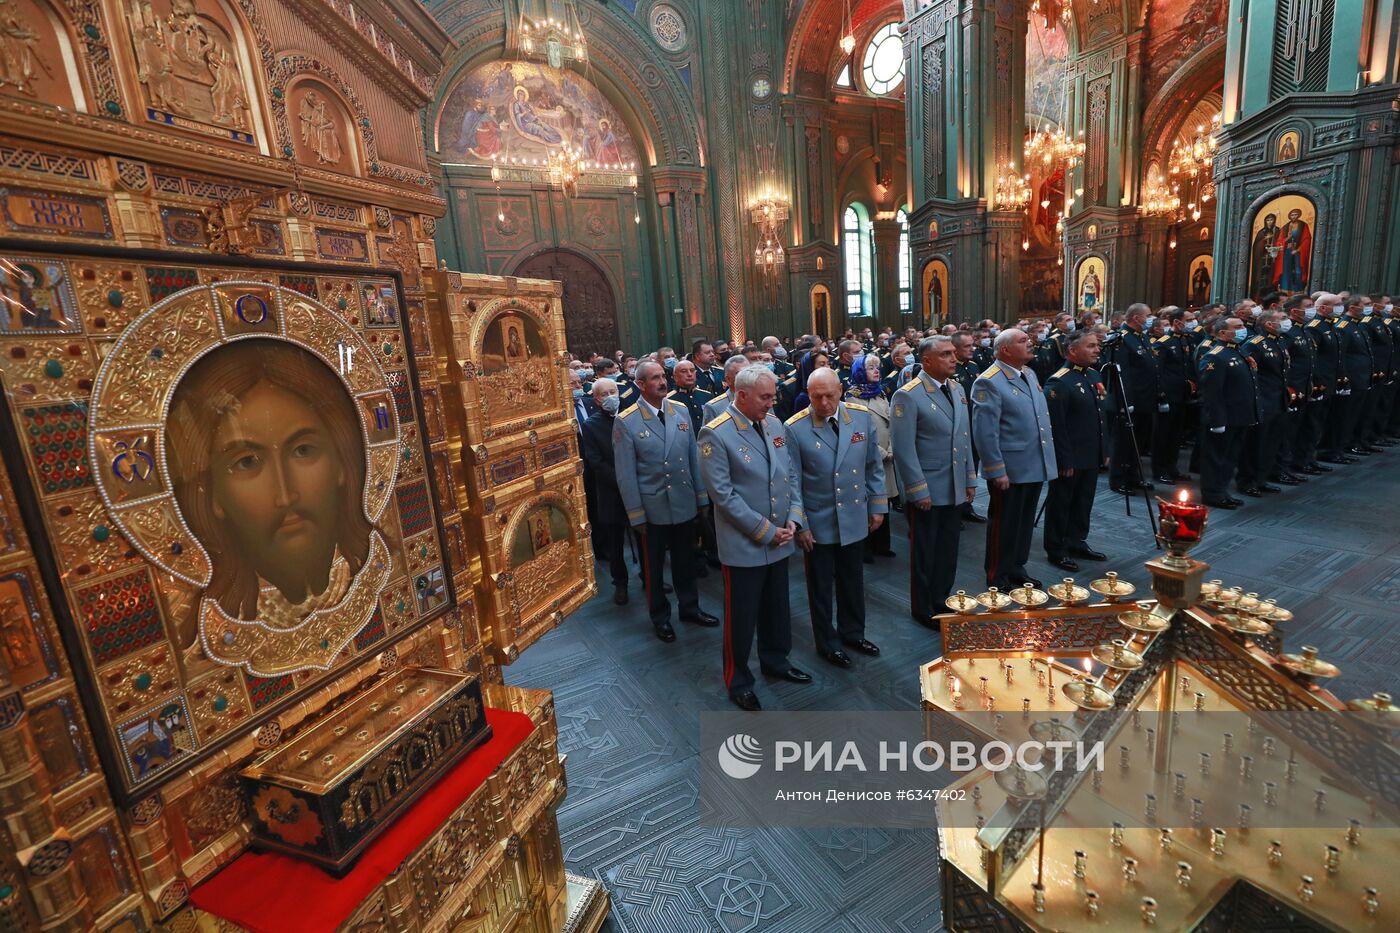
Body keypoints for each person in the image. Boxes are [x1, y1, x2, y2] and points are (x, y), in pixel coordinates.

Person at [166, 341, 375, 624]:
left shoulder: (376, 567)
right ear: (213, 495)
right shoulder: (207, 622)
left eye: (303, 450)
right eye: (247, 462)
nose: (286, 495)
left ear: (342, 463)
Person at [698, 364, 809, 711]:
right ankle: (738, 679)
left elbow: (790, 473)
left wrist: (794, 518)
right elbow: (723, 495)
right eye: (765, 396)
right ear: (741, 395)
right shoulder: (715, 433)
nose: (771, 402)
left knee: (778, 608)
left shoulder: (774, 423)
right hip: (746, 543)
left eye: (773, 395)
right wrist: (765, 531)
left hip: (781, 535)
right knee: (741, 616)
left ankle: (777, 660)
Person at [612, 361, 719, 642]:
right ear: (641, 385)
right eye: (655, 378)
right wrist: (636, 514)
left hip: (683, 501)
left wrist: (701, 498)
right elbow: (626, 475)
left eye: (663, 376)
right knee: (654, 567)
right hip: (652, 507)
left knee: (685, 560)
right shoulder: (627, 420)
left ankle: (690, 607)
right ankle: (660, 617)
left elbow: (692, 459)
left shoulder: (680, 411)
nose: (662, 382)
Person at [787, 369, 886, 668]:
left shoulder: (859, 416)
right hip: (818, 521)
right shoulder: (794, 427)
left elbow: (873, 465)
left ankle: (853, 633)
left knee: (853, 581)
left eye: (830, 395)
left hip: (854, 514)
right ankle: (827, 643)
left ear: (841, 390)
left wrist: (878, 505)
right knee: (820, 587)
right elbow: (792, 482)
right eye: (817, 396)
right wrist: (800, 523)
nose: (824, 402)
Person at [892, 336, 977, 626]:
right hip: (927, 488)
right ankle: (923, 607)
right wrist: (917, 490)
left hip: (953, 485)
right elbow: (904, 450)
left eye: (954, 353)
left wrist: (969, 479)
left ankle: (942, 598)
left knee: (948, 550)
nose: (954, 358)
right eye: (945, 354)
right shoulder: (909, 395)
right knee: (925, 553)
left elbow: (963, 439)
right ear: (927, 361)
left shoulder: (957, 388)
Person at [971, 329, 1057, 591]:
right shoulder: (989, 381)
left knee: (1023, 522)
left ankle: (1017, 566)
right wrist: (996, 470)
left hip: (1034, 461)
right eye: (1022, 341)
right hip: (1009, 468)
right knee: (1004, 524)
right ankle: (998, 574)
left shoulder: (1028, 373)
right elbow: (985, 432)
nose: (1030, 343)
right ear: (1005, 350)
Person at [1042, 330, 1108, 571]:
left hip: (1091, 452)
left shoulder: (1093, 375)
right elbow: (1055, 426)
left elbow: (1101, 417)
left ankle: (1076, 540)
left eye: (1096, 345)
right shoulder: (1060, 381)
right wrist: (1063, 459)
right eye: (1090, 346)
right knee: (1061, 503)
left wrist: (1104, 449)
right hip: (1069, 456)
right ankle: (1056, 548)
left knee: (1083, 502)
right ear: (1073, 350)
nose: (1097, 349)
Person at [1196, 317, 1259, 509]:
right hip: (1223, 417)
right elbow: (1211, 392)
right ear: (1222, 333)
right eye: (1237, 327)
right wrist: (1217, 420)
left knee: (1230, 457)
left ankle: (1222, 490)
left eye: (1242, 326)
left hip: (1239, 415)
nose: (1243, 330)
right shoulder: (1214, 356)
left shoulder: (1238, 351)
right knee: (1216, 458)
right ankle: (1212, 494)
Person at [580, 379, 629, 604]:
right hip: (610, 491)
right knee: (615, 542)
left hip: (636, 488)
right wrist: (620, 478)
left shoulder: (630, 416)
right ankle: (620, 583)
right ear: (597, 399)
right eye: (604, 394)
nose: (610, 396)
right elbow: (595, 461)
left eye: (613, 392)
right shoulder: (591, 425)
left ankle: (650, 580)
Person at [1104, 303, 1160, 493]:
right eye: (1148, 315)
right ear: (1136, 318)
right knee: (1123, 442)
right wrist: (1125, 402)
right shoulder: (1121, 339)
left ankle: (1133, 476)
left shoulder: (1141, 336)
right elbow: (1121, 374)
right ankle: (1118, 479)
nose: (1151, 319)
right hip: (1129, 401)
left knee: (1138, 441)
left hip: (1144, 400)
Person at [847, 352, 897, 560]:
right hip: (869, 456)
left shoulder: (880, 393)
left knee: (883, 501)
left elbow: (891, 423)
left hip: (888, 455)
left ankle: (882, 545)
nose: (876, 371)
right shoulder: (853, 396)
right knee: (869, 501)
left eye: (877, 367)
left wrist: (893, 447)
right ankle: (866, 546)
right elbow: (859, 432)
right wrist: (883, 452)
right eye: (870, 368)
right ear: (860, 372)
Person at [1236, 311, 1290, 496]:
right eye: (1281, 319)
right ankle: (1247, 480)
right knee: (1255, 443)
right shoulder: (1255, 344)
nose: (1285, 321)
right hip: (1263, 399)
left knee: (1271, 442)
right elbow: (1250, 374)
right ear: (1268, 324)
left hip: (1278, 398)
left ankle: (1262, 478)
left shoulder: (1280, 341)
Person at [1151, 308, 1195, 482]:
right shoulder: (1163, 343)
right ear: (1177, 322)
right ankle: (1159, 470)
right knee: (1162, 434)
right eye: (1189, 319)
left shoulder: (1184, 340)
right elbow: (1157, 372)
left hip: (1181, 395)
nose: (1193, 322)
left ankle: (1172, 467)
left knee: (1176, 435)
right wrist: (1160, 395)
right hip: (1167, 396)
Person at [1335, 297, 1376, 455]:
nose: (1369, 307)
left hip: (1362, 376)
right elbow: (1342, 355)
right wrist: (1344, 377)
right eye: (1366, 305)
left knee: (1357, 414)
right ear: (1352, 308)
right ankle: (1341, 446)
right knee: (1346, 415)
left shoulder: (1358, 325)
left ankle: (1352, 442)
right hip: (1352, 377)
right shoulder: (1344, 327)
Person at [703, 354, 749, 422]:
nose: (746, 376)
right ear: (728, 379)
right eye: (740, 374)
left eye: (749, 372)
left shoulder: (760, 399)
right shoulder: (714, 407)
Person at [792, 348, 830, 413]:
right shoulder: (803, 399)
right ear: (810, 368)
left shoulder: (833, 389)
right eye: (822, 364)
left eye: (828, 364)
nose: (828, 368)